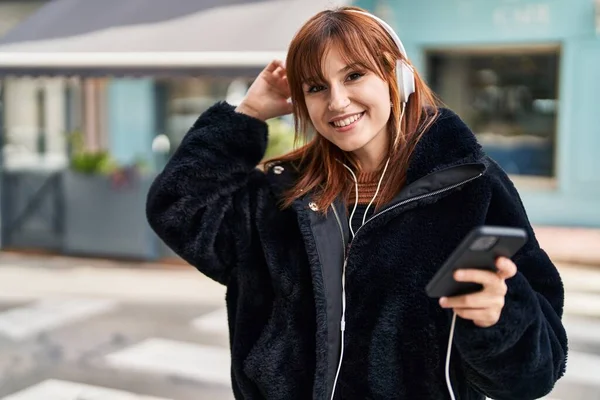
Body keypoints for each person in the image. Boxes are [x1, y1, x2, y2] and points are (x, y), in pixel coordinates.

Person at [146, 6, 567, 400]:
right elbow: (178, 207)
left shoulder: (470, 185)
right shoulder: (279, 195)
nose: (337, 102)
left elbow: (536, 372)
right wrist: (248, 113)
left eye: (353, 76)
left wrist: (500, 318)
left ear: (395, 77)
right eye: (315, 87)